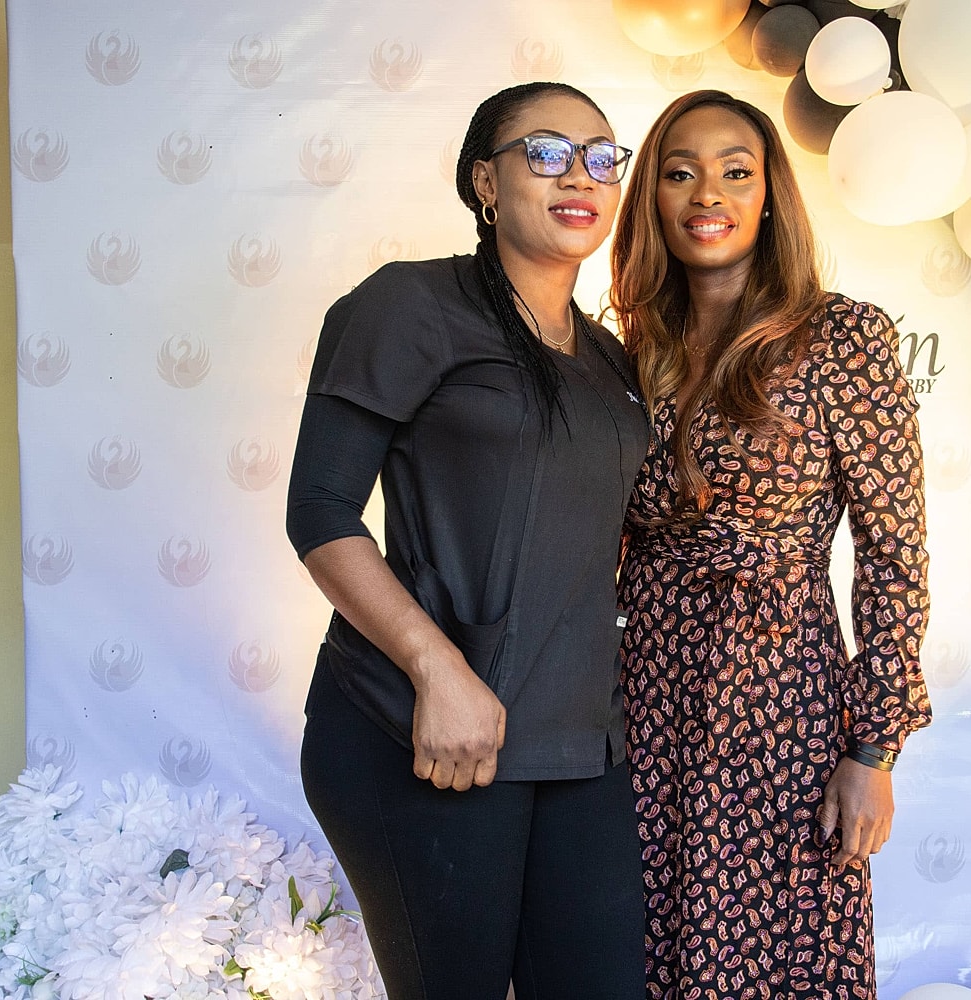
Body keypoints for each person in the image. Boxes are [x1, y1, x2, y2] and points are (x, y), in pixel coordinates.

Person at [286, 81, 650, 1000]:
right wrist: (438, 671)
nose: (582, 175)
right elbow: (321, 509)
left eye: (603, 156)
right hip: (425, 733)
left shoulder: (609, 361)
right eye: (547, 152)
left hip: (579, 746)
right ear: (486, 181)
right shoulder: (412, 304)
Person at [610, 89, 932, 999]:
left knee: (782, 950)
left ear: (768, 195)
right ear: (653, 200)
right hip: (647, 694)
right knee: (649, 943)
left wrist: (872, 751)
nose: (706, 193)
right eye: (679, 172)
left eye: (735, 171)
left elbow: (894, 556)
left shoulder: (843, 338)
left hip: (781, 689)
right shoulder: (630, 351)